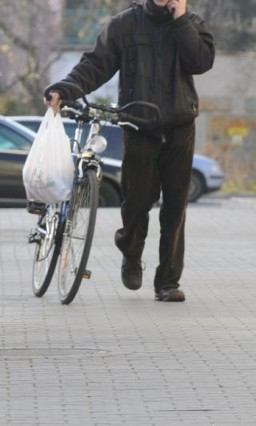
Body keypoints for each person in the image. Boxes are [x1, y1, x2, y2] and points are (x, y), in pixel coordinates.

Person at [45, 0, 215, 302]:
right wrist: (65, 89)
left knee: (176, 207)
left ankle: (167, 282)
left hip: (180, 128)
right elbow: (95, 65)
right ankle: (132, 253)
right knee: (137, 202)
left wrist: (180, 21)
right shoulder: (124, 25)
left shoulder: (192, 23)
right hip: (139, 126)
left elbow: (201, 62)